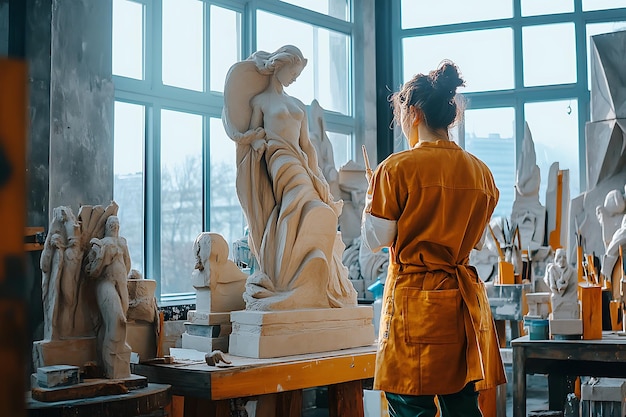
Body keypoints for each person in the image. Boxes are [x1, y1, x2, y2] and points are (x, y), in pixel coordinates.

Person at [361, 60, 506, 417]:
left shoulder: (395, 169)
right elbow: (474, 243)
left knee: (411, 404)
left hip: (415, 303)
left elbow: (375, 239)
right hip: (464, 303)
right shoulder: (481, 172)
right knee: (462, 402)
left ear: (412, 113)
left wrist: (371, 198)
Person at [222, 45, 357, 311]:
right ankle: (283, 273)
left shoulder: (297, 105)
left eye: (297, 74)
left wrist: (318, 175)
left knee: (307, 206)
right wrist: (253, 141)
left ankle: (292, 272)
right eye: (293, 72)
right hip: (279, 159)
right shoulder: (259, 102)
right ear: (279, 67)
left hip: (301, 160)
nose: (294, 78)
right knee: (296, 201)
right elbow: (251, 137)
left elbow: (307, 145)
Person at [85, 215, 132, 379]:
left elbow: (128, 263)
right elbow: (92, 271)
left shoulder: (123, 242)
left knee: (122, 320)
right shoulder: (102, 243)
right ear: (106, 226)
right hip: (105, 282)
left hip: (121, 281)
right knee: (117, 319)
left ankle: (116, 356)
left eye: (117, 223)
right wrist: (105, 256)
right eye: (111, 223)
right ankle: (112, 360)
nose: (115, 226)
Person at [544, 248, 579, 318]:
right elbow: (553, 287)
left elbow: (571, 287)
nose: (562, 259)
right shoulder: (552, 269)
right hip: (557, 297)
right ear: (556, 258)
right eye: (559, 257)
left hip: (570, 298)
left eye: (564, 257)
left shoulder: (571, 271)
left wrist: (563, 283)